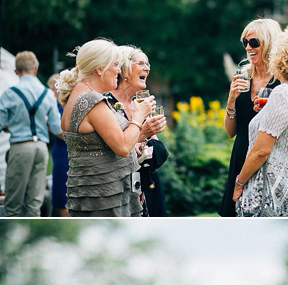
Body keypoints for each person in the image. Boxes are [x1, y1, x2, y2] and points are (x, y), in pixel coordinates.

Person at [56, 38, 165, 217]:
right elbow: (122, 148)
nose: (118, 70)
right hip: (105, 194)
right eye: (115, 64)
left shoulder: (74, 96)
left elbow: (101, 145)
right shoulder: (91, 100)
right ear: (100, 69)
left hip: (86, 192)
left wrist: (135, 144)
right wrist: (139, 116)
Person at [232, 26, 288, 217]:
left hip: (266, 190)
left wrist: (239, 183)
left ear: (281, 56)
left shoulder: (282, 93)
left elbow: (261, 151)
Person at [218, 18, 281, 217]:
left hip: (269, 157)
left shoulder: (282, 81)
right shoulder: (243, 76)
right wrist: (231, 99)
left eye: (254, 42)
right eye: (245, 42)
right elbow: (230, 132)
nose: (248, 47)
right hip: (240, 153)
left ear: (269, 43)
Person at [0, 52, 62, 217]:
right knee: (34, 203)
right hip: (41, 148)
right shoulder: (47, 93)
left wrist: (10, 126)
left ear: (16, 72)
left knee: (12, 204)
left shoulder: (10, 93)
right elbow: (57, 127)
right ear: (36, 69)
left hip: (20, 147)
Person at [114, 46, 168, 216]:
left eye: (148, 64)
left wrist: (148, 133)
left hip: (148, 184)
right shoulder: (107, 105)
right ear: (124, 69)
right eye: (141, 63)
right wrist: (144, 134)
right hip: (119, 188)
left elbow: (160, 152)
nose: (147, 68)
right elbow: (114, 152)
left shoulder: (140, 104)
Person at [46, 75, 69, 217]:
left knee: (63, 199)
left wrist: (49, 126)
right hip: (59, 155)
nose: (51, 93)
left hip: (64, 157)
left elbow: (67, 135)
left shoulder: (66, 107)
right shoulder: (58, 106)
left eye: (52, 89)